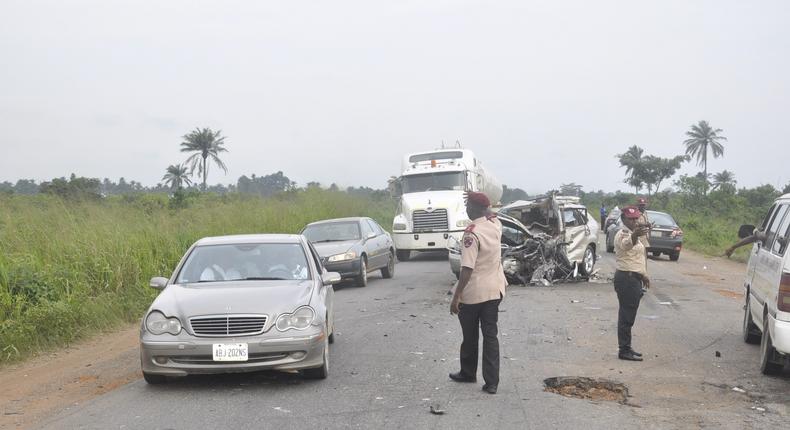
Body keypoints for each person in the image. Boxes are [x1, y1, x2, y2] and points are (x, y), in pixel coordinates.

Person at [449, 191, 507, 394]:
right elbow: (491, 212)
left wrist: (456, 296)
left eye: (468, 206)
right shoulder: (495, 225)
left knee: (470, 335)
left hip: (473, 293)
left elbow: (467, 268)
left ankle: (468, 372)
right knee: (490, 336)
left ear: (475, 208)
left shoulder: (471, 233)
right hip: (495, 290)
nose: (466, 210)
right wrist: (481, 201)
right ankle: (492, 383)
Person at [613, 206, 651, 361]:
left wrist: (644, 276)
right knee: (626, 316)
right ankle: (624, 350)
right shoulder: (623, 233)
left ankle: (627, 347)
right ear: (623, 219)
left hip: (633, 278)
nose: (634, 221)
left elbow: (636, 259)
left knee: (629, 315)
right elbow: (627, 245)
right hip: (626, 279)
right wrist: (635, 235)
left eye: (636, 218)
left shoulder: (634, 233)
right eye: (631, 219)